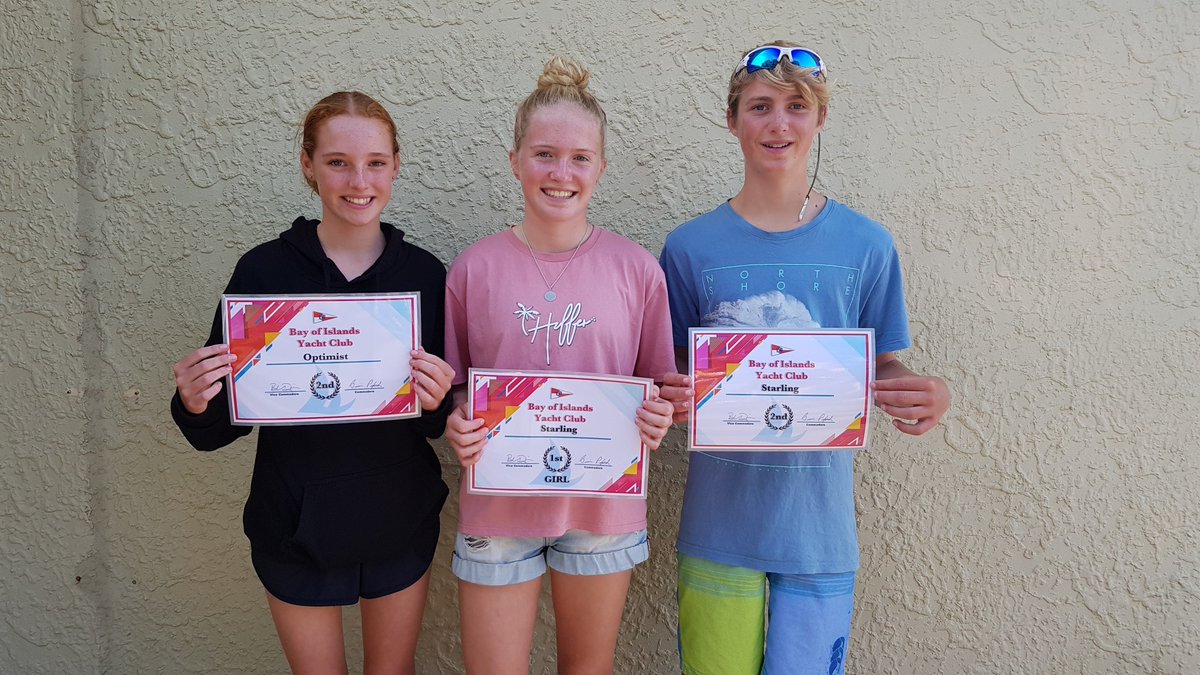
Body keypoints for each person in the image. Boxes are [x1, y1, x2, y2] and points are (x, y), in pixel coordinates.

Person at [658, 42, 952, 675]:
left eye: (797, 106)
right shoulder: (687, 248)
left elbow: (883, 366)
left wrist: (921, 392)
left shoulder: (867, 245)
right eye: (760, 107)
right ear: (732, 119)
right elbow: (670, 376)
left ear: (821, 119)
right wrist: (672, 397)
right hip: (719, 530)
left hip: (820, 535)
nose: (778, 123)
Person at [170, 91, 454, 675]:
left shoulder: (426, 275)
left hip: (397, 517)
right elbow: (217, 428)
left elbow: (433, 424)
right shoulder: (264, 272)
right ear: (308, 166)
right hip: (293, 522)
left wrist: (438, 399)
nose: (359, 180)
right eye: (337, 162)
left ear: (396, 166)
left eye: (376, 162)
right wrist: (195, 401)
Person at [442, 56, 676, 675]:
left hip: (600, 507)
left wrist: (658, 417)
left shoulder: (637, 270)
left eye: (579, 157)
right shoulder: (472, 269)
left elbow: (659, 386)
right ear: (515, 160)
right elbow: (455, 386)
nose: (561, 172)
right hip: (499, 505)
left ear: (600, 167)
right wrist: (456, 421)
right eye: (544, 154)